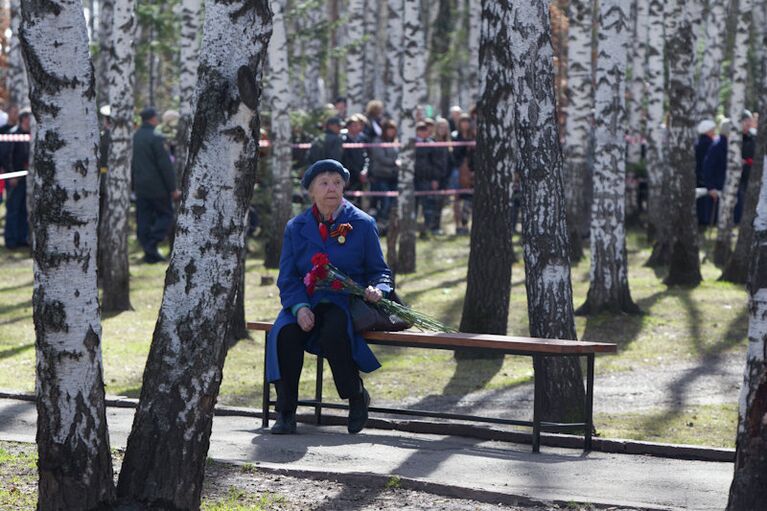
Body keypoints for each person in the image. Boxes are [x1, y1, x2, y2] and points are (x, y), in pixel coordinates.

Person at [266, 159, 393, 435]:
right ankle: (286, 412)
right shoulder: (295, 227)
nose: (331, 188)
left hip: (342, 300)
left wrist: (378, 290)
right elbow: (287, 278)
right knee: (285, 333)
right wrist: (299, 308)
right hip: (304, 299)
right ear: (311, 190)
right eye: (323, 183)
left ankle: (355, 395)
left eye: (337, 182)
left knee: (334, 330)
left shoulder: (361, 223)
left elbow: (380, 272)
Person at [131, 107, 181, 263]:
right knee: (166, 216)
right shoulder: (156, 137)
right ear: (153, 119)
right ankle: (152, 244)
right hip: (158, 188)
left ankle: (149, 254)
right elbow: (165, 166)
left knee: (143, 219)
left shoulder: (135, 137)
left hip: (140, 187)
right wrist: (172, 189)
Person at [3, 110, 31, 249]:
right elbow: (6, 155)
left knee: (23, 209)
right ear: (23, 119)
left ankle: (22, 238)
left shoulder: (31, 134)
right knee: (13, 209)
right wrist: (12, 174)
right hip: (14, 178)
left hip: (27, 178)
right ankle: (11, 240)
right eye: (28, 118)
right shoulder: (13, 134)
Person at [367, 119, 400, 231]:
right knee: (384, 202)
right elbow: (380, 157)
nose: (391, 132)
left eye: (393, 129)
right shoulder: (377, 141)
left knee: (392, 203)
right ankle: (379, 226)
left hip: (393, 177)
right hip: (380, 176)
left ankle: (388, 227)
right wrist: (395, 162)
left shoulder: (396, 142)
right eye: (389, 129)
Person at [414, 121, 446, 235]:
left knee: (428, 205)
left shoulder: (432, 144)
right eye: (420, 129)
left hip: (427, 179)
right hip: (412, 180)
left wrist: (435, 179)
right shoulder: (410, 144)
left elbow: (437, 164)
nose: (422, 132)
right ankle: (412, 229)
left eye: (424, 129)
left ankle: (429, 228)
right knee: (413, 206)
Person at [702, 118, 731, 226]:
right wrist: (711, 187)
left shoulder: (728, 144)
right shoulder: (717, 145)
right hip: (717, 185)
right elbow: (707, 167)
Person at [451, 113, 475, 235]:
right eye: (463, 121)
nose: (465, 124)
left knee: (468, 198)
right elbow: (454, 154)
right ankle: (457, 225)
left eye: (467, 121)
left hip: (471, 170)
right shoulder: (455, 136)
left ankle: (465, 223)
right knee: (456, 198)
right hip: (457, 169)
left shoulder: (474, 136)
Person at [341, 114, 369, 202]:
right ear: (348, 126)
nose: (357, 128)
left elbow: (366, 156)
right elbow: (345, 159)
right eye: (354, 125)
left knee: (359, 201)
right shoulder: (343, 139)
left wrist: (365, 170)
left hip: (360, 176)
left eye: (358, 125)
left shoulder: (362, 138)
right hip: (349, 175)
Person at [735, 110, 756, 224]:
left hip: (750, 172)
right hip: (737, 173)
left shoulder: (753, 137)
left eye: (749, 122)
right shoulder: (735, 137)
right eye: (746, 122)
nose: (748, 125)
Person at [695, 119, 716, 226]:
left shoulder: (699, 142)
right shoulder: (709, 144)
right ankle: (705, 220)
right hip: (705, 175)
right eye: (712, 130)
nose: (714, 132)